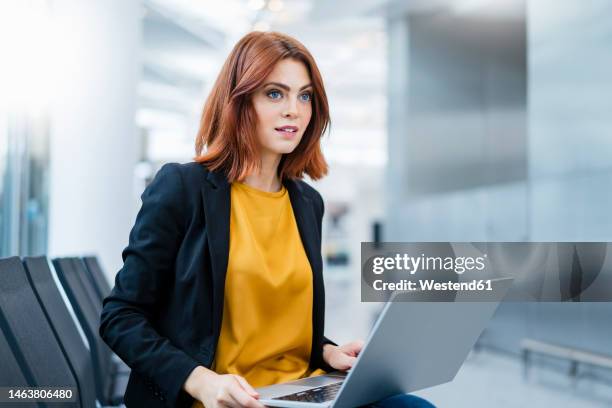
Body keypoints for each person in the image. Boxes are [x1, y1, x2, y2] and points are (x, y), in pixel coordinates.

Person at [99, 31, 435, 408]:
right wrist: (199, 381)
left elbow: (281, 325)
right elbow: (121, 316)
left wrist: (326, 352)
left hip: (300, 395)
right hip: (225, 399)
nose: (294, 109)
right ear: (239, 101)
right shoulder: (183, 188)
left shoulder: (307, 202)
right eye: (275, 93)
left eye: (304, 95)